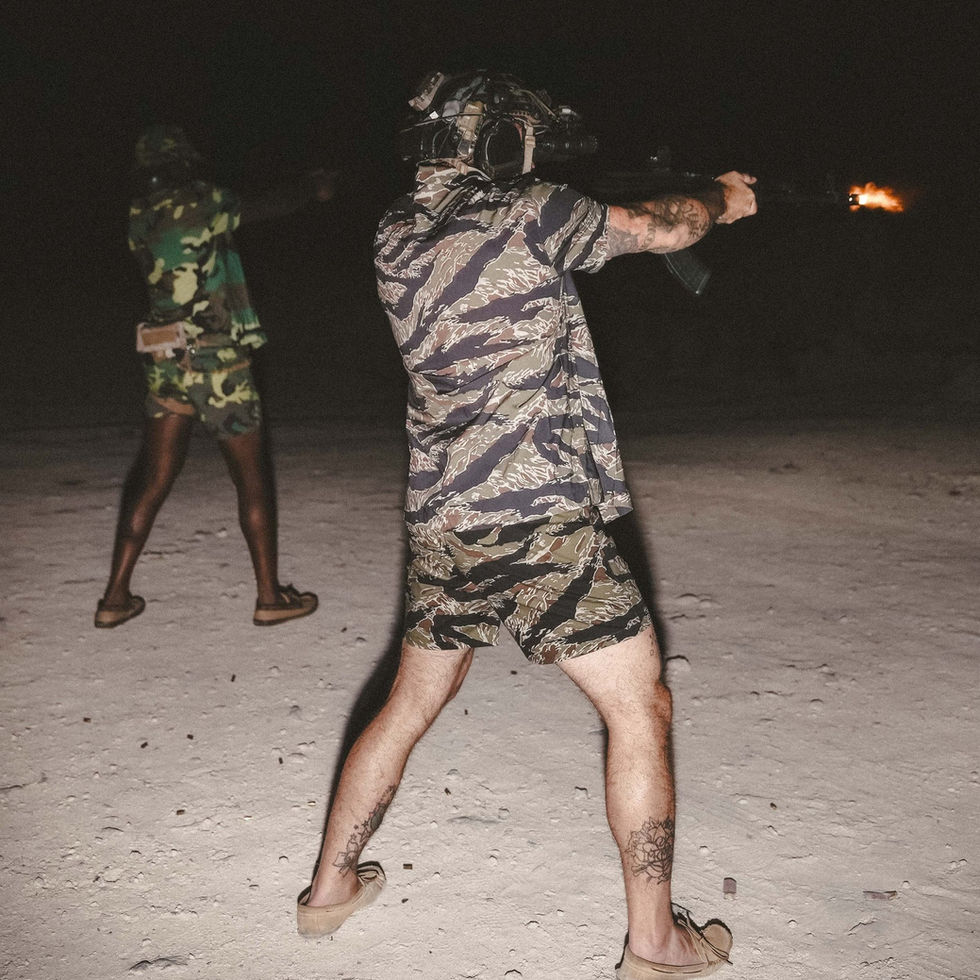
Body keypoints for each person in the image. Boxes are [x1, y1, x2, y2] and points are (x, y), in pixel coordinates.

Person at [297, 72, 757, 978]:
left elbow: (533, 236)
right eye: (523, 139)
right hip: (539, 513)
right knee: (640, 707)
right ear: (497, 140)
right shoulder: (531, 213)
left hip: (445, 515)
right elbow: (668, 229)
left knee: (410, 702)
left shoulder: (395, 230)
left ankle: (329, 890)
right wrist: (720, 197)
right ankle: (656, 944)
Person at [94, 124, 334, 629]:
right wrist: (313, 188)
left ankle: (114, 598)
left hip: (165, 358)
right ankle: (270, 598)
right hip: (217, 360)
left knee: (152, 479)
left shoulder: (138, 216)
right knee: (251, 479)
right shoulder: (205, 202)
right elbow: (270, 205)